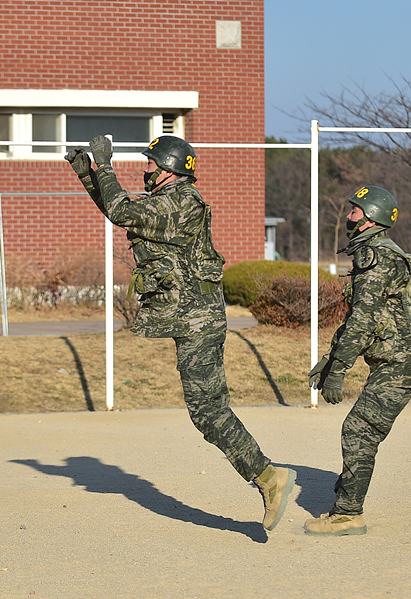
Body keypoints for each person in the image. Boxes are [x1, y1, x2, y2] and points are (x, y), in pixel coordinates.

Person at [64, 135, 296, 531]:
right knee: (206, 411)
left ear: (169, 168)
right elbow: (121, 211)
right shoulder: (167, 202)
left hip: (198, 320)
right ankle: (267, 476)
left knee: (207, 411)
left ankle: (270, 477)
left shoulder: (182, 202)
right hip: (187, 317)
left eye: (152, 163)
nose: (146, 168)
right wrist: (89, 176)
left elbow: (122, 212)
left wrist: (103, 167)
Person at [305, 185, 411, 536]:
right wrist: (331, 358)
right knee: (361, 430)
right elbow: (365, 319)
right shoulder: (376, 252)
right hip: (400, 358)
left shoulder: (376, 258)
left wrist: (339, 372)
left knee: (359, 431)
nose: (348, 215)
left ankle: (349, 514)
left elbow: (363, 320)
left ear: (370, 219)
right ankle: (348, 498)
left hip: (403, 363)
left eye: (354, 211)